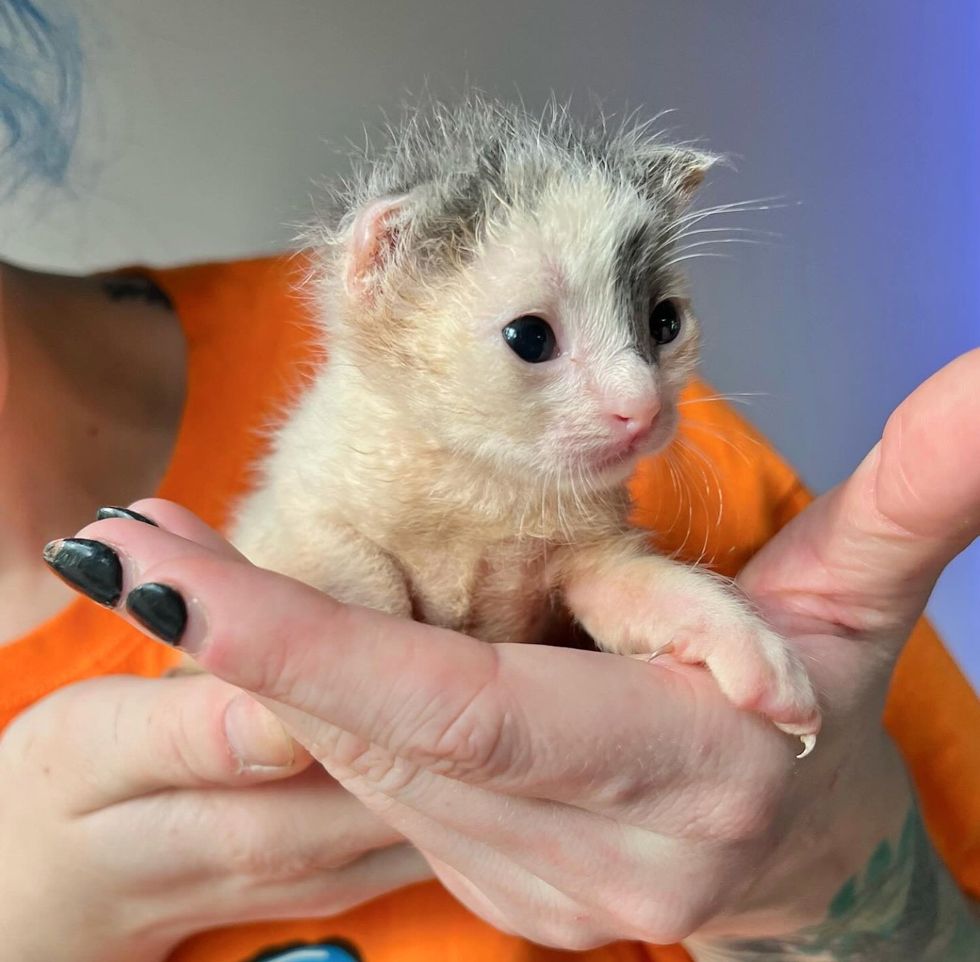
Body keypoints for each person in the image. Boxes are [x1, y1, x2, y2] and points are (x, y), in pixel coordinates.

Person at [1, 5, 978, 961]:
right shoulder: (356, 439)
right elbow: (320, 539)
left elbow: (592, 565)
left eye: (658, 324)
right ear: (381, 277)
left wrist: (813, 870)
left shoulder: (683, 468)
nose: (638, 396)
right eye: (529, 340)